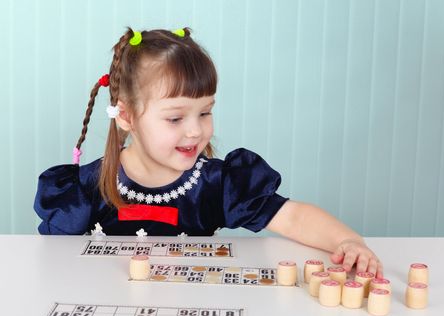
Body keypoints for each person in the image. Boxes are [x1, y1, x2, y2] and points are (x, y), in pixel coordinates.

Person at [34, 27, 383, 278]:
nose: (195, 130)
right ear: (126, 116)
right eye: (175, 117)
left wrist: (348, 240)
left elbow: (292, 217)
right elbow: (53, 264)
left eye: (205, 112)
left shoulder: (219, 183)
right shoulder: (83, 190)